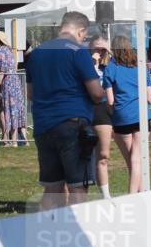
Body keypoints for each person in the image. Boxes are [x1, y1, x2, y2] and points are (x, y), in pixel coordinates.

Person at [25, 12, 105, 208]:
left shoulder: (36, 53)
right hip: (73, 124)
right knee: (78, 185)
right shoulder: (78, 52)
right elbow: (96, 93)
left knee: (52, 187)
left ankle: (49, 232)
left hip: (43, 126)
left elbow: (30, 93)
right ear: (81, 30)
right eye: (84, 36)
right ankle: (74, 232)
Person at [103, 35, 151, 195]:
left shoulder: (110, 69)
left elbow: (110, 101)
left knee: (132, 161)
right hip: (142, 117)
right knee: (137, 159)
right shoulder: (141, 68)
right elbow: (150, 98)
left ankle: (136, 195)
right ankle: (136, 195)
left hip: (121, 118)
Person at [89, 36, 114, 198]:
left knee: (103, 154)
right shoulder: (84, 65)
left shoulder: (109, 67)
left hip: (102, 110)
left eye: (102, 49)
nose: (99, 52)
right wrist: (91, 64)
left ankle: (105, 195)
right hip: (84, 110)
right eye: (96, 48)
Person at [0, 30, 27, 147]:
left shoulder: (1, 51)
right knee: (15, 109)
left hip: (7, 83)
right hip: (15, 82)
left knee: (8, 110)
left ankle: (12, 140)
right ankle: (15, 139)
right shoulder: (8, 51)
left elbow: (1, 71)